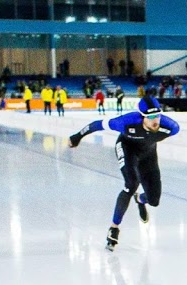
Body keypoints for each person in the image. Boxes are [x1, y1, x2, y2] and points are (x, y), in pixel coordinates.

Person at [67, 96, 180, 251]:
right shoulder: (125, 122)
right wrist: (77, 136)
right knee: (131, 184)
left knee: (154, 200)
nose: (156, 121)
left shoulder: (171, 127)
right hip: (127, 149)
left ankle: (140, 199)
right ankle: (114, 227)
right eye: (150, 117)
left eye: (158, 115)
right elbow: (97, 125)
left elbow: (154, 134)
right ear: (142, 117)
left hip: (148, 155)